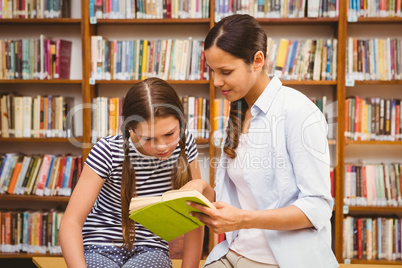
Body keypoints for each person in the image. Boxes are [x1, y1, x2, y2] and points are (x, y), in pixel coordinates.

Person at [188, 14, 339, 268]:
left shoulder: (298, 112)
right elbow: (245, 199)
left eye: (226, 71)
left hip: (280, 260)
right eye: (213, 71)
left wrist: (243, 220)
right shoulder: (238, 111)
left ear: (257, 60)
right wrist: (201, 190)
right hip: (234, 252)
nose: (216, 82)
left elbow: (317, 208)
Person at [59, 77, 214, 268]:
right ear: (131, 129)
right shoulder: (107, 150)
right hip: (99, 245)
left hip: (151, 249)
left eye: (169, 134)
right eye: (149, 138)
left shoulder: (185, 143)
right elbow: (71, 222)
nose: (162, 146)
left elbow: (195, 215)